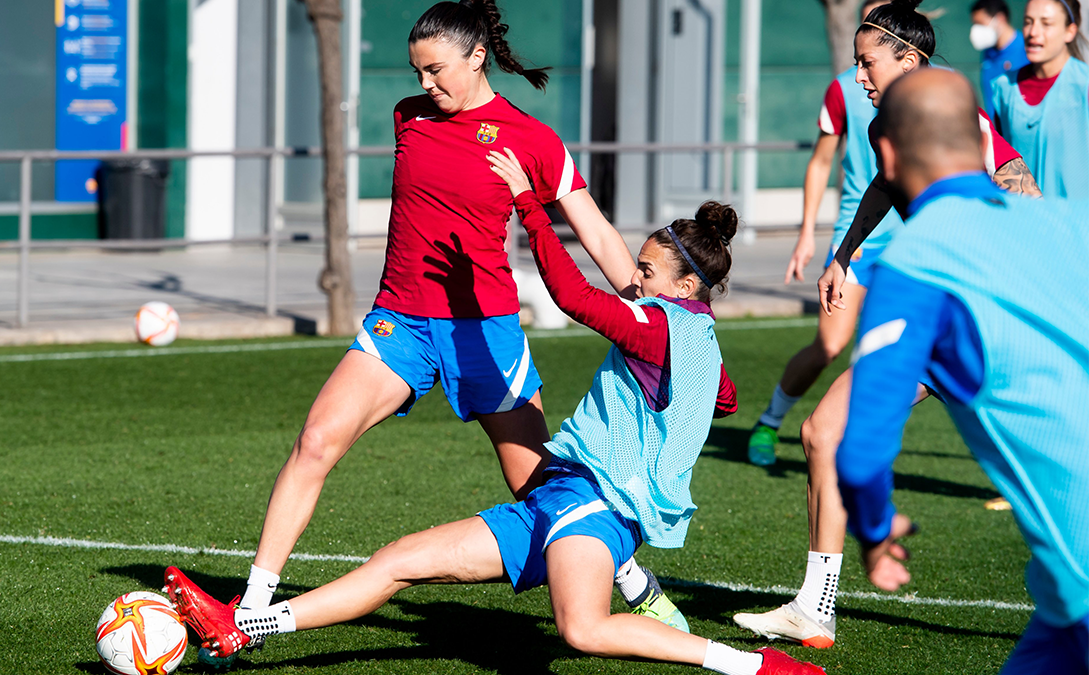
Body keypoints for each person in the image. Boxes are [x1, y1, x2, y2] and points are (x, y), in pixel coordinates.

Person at [162, 149, 826, 675]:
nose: (635, 279)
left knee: (582, 629)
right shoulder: (697, 338)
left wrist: (532, 208)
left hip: (592, 509)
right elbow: (726, 397)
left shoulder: (655, 329)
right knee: (396, 560)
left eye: (646, 272)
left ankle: (755, 665)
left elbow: (569, 293)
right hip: (558, 500)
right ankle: (242, 626)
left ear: (684, 286)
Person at [175, 0, 688, 662]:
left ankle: (630, 577)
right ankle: (248, 607)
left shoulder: (530, 139)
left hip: (487, 333)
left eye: (437, 70)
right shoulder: (409, 118)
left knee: (541, 489)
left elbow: (590, 227)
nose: (425, 85)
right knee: (316, 439)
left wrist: (643, 307)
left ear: (477, 57)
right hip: (400, 321)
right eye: (418, 71)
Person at [734, 0, 1040, 649]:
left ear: (910, 57)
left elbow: (1017, 180)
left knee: (1048, 469)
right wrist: (841, 255)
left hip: (983, 320)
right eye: (856, 63)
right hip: (937, 321)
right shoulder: (885, 125)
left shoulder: (950, 111)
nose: (860, 75)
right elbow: (881, 184)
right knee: (821, 431)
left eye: (868, 61)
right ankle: (815, 608)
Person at [837, 67, 1089, 675]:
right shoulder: (1068, 222)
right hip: (1067, 608)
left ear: (888, 156)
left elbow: (861, 452)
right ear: (983, 143)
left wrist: (875, 530)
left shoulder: (915, 264)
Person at [747, 0, 896, 467]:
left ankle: (850, 444)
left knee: (893, 352)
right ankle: (770, 422)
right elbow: (822, 161)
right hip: (858, 234)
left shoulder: (932, 94)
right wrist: (807, 233)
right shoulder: (845, 88)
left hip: (908, 245)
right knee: (830, 345)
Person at [992, 0, 1089, 198]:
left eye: (1046, 23)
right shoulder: (1003, 88)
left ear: (1070, 31)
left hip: (1076, 225)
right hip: (1023, 224)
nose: (1033, 32)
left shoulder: (1084, 85)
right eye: (1028, 22)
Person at [971, 0, 1029, 120]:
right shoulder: (987, 53)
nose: (977, 30)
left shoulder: (1026, 50)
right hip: (996, 133)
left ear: (1000, 18)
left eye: (980, 24)